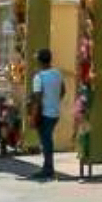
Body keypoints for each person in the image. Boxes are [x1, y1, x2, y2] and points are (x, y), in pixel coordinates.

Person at [28, 48, 65, 180]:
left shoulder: (39, 77)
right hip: (54, 113)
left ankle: (48, 168)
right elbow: (63, 90)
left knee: (46, 141)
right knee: (47, 140)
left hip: (43, 114)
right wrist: (54, 100)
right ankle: (48, 167)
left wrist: (33, 117)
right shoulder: (57, 74)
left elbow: (37, 100)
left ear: (39, 61)